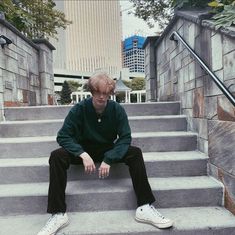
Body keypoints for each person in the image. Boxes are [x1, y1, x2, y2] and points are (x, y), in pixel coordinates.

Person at [37, 72, 173, 235]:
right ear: (92, 92)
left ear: (110, 94)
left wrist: (110, 158)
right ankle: (58, 213)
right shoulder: (79, 109)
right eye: (97, 93)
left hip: (107, 150)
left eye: (105, 93)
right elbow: (63, 135)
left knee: (135, 153)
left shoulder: (117, 110)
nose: (101, 97)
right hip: (83, 151)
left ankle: (144, 207)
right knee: (57, 156)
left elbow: (125, 137)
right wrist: (82, 153)